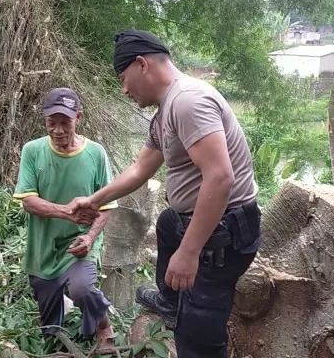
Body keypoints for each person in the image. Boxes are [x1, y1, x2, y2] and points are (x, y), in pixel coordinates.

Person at [69, 30, 261, 358]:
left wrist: (188, 253)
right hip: (202, 221)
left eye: (123, 78)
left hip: (225, 234)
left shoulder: (188, 101)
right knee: (168, 223)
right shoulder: (164, 114)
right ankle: (171, 301)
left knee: (197, 335)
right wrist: (95, 199)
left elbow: (220, 177)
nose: (124, 89)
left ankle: (193, 327)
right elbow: (140, 169)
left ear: (142, 64)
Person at [12, 87, 119, 352]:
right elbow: (28, 200)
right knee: (49, 326)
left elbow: (106, 206)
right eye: (52, 123)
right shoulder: (33, 151)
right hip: (43, 246)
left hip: (80, 243)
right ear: (45, 121)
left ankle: (103, 325)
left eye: (65, 123)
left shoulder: (96, 153)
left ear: (78, 118)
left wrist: (90, 236)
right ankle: (58, 346)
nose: (58, 130)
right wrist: (68, 212)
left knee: (82, 288)